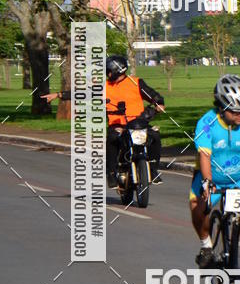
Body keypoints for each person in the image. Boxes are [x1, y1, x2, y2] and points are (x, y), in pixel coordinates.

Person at [43, 55, 165, 187]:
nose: (108, 74)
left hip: (138, 123)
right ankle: (111, 173)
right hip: (118, 124)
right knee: (112, 139)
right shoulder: (104, 87)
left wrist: (159, 104)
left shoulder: (136, 82)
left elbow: (152, 95)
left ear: (115, 70)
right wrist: (59, 95)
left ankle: (153, 170)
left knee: (154, 135)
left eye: (109, 71)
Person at [189, 74, 240, 269]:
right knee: (196, 206)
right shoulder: (206, 123)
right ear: (221, 107)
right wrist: (208, 183)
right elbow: (205, 157)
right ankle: (206, 245)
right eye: (235, 111)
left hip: (239, 178)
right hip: (212, 176)